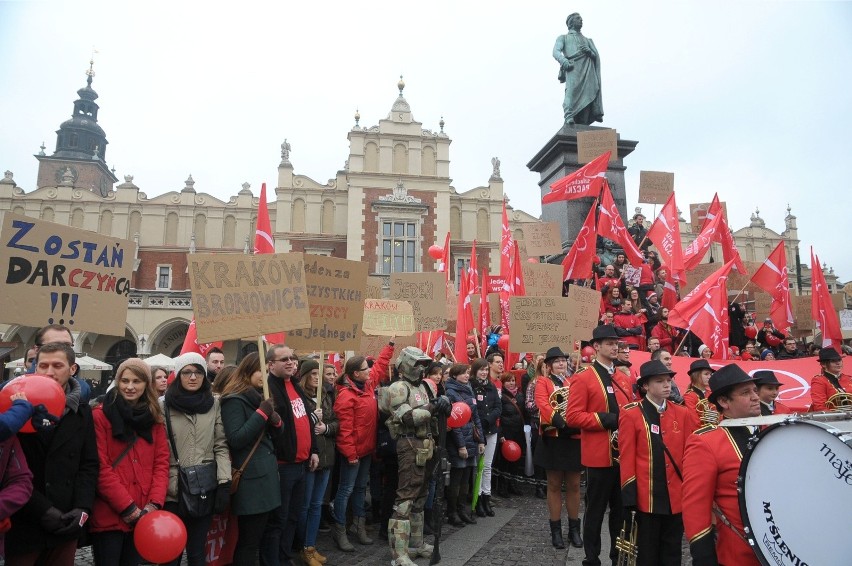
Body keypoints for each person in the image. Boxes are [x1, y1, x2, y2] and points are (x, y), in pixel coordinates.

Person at [6, 342, 99, 566]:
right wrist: (43, 511)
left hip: (66, 519)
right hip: (26, 518)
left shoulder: (83, 412)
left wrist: (82, 508)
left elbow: (89, 464)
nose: (49, 372)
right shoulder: (16, 408)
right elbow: (11, 469)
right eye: (43, 365)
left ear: (72, 369)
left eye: (57, 365)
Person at [89, 358, 170, 565]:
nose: (130, 387)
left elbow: (161, 464)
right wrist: (128, 509)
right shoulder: (100, 416)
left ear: (146, 384)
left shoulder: (154, 418)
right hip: (110, 513)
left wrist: (153, 504)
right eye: (125, 381)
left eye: (137, 381)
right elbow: (100, 467)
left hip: (144, 512)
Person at [567, 324, 634, 566]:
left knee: (621, 512)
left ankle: (618, 557)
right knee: (595, 512)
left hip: (624, 456)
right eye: (609, 343)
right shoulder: (583, 378)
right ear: (596, 347)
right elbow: (572, 416)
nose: (615, 347)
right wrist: (604, 419)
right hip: (599, 456)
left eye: (617, 343)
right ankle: (591, 558)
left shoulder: (623, 379)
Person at [682, 364, 761, 566]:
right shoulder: (705, 442)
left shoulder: (772, 431)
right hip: (740, 555)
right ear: (724, 401)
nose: (755, 397)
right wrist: (704, 556)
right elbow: (696, 508)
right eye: (745, 392)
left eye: (754, 390)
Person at [160, 353, 232, 566]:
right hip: (172, 489)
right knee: (170, 552)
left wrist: (224, 482)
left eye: (198, 372)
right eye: (187, 372)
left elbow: (221, 445)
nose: (193, 377)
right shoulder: (163, 404)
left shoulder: (214, 404)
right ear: (178, 374)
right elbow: (158, 451)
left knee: (197, 551)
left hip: (203, 487)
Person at [619, 360, 690, 566]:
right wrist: (629, 495)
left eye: (668, 380)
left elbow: (688, 454)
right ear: (645, 386)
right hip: (646, 496)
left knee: (672, 552)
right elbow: (627, 456)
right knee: (647, 554)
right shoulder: (631, 413)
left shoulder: (682, 413)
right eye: (660, 381)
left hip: (675, 497)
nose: (667, 385)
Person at [385, 347, 451, 566]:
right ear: (405, 365)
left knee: (420, 498)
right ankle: (399, 554)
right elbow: (408, 417)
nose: (421, 369)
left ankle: (416, 543)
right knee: (405, 499)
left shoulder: (423, 386)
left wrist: (444, 404)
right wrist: (434, 406)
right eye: (417, 364)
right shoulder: (398, 387)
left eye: (424, 364)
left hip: (427, 444)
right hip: (409, 443)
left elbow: (433, 412)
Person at [220, 353, 283, 566]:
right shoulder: (233, 400)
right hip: (251, 481)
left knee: (263, 536)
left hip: (266, 478)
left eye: (267, 371)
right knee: (249, 542)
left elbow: (273, 436)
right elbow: (237, 438)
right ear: (248, 371)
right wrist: (262, 414)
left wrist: (276, 422)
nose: (265, 375)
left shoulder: (259, 396)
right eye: (261, 371)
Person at [262, 345, 319, 566]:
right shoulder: (269, 390)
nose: (290, 362)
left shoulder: (295, 385)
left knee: (293, 516)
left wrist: (313, 450)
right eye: (284, 359)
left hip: (302, 464)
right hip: (282, 465)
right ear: (270, 365)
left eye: (292, 358)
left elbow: (305, 422)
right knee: (279, 520)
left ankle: (284, 557)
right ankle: (273, 560)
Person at [534, 347, 583, 550]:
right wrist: (559, 420)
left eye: (563, 360)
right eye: (557, 361)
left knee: (573, 485)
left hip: (573, 436)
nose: (561, 364)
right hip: (553, 436)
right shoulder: (543, 382)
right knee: (554, 485)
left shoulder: (574, 382)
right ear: (549, 366)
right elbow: (542, 404)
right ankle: (556, 530)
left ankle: (574, 529)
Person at [331, 355, 377, 552]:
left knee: (360, 489)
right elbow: (344, 430)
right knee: (346, 490)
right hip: (353, 452)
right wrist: (350, 454)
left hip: (366, 450)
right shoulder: (346, 396)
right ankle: (339, 530)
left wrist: (391, 345)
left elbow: (380, 367)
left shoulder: (365, 387)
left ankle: (358, 526)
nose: (370, 371)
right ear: (356, 373)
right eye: (366, 368)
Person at [297, 359, 338, 566]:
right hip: (308, 458)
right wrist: (312, 418)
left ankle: (311, 546)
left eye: (318, 373)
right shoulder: (298, 397)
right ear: (304, 376)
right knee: (304, 505)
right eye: (312, 373)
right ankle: (302, 546)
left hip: (326, 456)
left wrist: (326, 428)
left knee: (316, 505)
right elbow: (296, 426)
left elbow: (336, 422)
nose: (316, 377)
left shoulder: (326, 395)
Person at [444, 363, 485, 527]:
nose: (467, 376)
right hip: (459, 441)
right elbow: (454, 422)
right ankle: (452, 512)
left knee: (467, 478)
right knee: (457, 479)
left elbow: (476, 418)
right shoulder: (451, 393)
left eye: (467, 373)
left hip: (471, 439)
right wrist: (461, 445)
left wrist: (481, 440)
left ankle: (462, 510)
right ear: (455, 375)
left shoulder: (469, 390)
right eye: (463, 373)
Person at [552, 12, 603, 126]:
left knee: (589, 94)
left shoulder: (588, 40)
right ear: (571, 22)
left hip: (588, 70)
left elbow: (595, 57)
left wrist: (589, 52)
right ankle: (569, 116)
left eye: (581, 19)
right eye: (578, 18)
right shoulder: (563, 38)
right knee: (571, 93)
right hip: (573, 68)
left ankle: (583, 124)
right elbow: (555, 51)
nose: (581, 20)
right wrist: (564, 61)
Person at [470, 357, 501, 518]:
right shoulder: (471, 387)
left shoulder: (491, 387)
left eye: (485, 370)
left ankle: (486, 498)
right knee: (477, 467)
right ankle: (477, 498)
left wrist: (489, 419)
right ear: (475, 371)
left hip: (491, 430)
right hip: (477, 432)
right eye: (481, 370)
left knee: (487, 466)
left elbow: (498, 406)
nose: (483, 372)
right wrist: (481, 422)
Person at [29, 324, 91, 403]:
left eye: (67, 345)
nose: (62, 349)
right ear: (37, 349)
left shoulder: (83, 388)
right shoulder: (15, 387)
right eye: (53, 345)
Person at [497, 372, 525, 497]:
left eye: (513, 380)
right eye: (508, 381)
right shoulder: (501, 396)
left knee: (516, 460)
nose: (511, 383)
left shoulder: (520, 396)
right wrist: (501, 433)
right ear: (503, 382)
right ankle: (502, 487)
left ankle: (513, 484)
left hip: (518, 432)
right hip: (507, 432)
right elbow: (499, 416)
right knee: (505, 461)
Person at [809, 347, 851, 412]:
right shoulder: (819, 380)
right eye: (833, 361)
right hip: (832, 420)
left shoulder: (849, 378)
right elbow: (819, 407)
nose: (838, 363)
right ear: (823, 364)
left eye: (839, 360)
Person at [682, 359, 717, 432]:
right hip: (700, 434)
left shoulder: (711, 393)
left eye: (710, 374)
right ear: (696, 376)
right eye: (706, 374)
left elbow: (719, 414)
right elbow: (694, 423)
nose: (709, 377)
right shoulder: (689, 396)